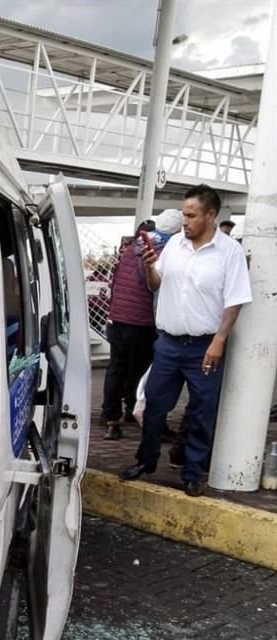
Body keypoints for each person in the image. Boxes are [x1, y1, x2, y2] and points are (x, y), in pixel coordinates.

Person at [120, 185, 252, 497]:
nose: (185, 222)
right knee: (153, 407)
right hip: (167, 344)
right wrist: (151, 265)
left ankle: (192, 473)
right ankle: (146, 460)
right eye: (184, 215)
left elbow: (235, 301)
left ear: (211, 216)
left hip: (204, 346)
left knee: (201, 411)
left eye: (192, 216)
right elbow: (156, 285)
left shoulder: (229, 252)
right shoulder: (176, 244)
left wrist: (219, 340)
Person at [100, 221, 157, 441]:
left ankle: (111, 418)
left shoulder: (126, 253)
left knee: (116, 368)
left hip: (117, 319)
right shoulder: (154, 253)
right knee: (140, 370)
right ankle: (134, 408)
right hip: (142, 321)